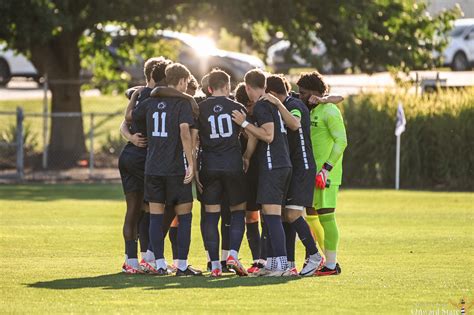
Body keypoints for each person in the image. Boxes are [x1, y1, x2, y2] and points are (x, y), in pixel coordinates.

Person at [132, 63, 202, 276]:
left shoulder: (150, 102)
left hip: (152, 167)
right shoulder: (182, 103)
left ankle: (159, 264)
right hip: (175, 168)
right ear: (181, 81)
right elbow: (184, 132)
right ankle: (181, 265)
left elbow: (131, 117)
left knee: (155, 215)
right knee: (185, 214)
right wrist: (191, 162)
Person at [232, 69, 292, 277]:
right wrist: (248, 156)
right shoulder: (269, 103)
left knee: (273, 217)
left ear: (248, 87)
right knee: (269, 215)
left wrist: (244, 123)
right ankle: (274, 264)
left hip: (274, 165)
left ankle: (283, 265)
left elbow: (268, 135)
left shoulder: (261, 106)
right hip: (278, 164)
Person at [264, 74, 324, 276]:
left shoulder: (293, 104)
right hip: (291, 166)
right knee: (284, 216)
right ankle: (289, 264)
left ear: (272, 94)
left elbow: (295, 123)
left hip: (302, 166)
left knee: (292, 214)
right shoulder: (290, 100)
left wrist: (276, 104)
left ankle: (315, 255)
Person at [118, 57, 170, 273]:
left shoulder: (138, 95)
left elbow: (125, 120)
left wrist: (129, 137)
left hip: (129, 156)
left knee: (134, 209)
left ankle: (131, 261)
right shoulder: (161, 98)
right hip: (146, 159)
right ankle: (149, 256)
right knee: (156, 207)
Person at [196, 69, 248, 277]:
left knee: (211, 216)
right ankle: (233, 254)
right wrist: (247, 157)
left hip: (209, 165)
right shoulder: (237, 107)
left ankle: (215, 265)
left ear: (209, 88)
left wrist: (194, 166)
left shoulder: (200, 109)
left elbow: (193, 139)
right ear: (228, 87)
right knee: (238, 211)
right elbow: (249, 134)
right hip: (233, 165)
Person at [296, 71, 347, 276]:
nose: (299, 96)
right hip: (311, 173)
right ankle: (325, 259)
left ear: (315, 93)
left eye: (303, 93)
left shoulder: (329, 110)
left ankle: (332, 265)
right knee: (311, 216)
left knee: (327, 217)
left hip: (326, 174)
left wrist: (326, 168)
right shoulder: (308, 108)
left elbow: (341, 141)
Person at [234, 82, 265, 274]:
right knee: (250, 216)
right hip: (246, 173)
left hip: (263, 171)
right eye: (245, 105)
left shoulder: (262, 114)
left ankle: (265, 258)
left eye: (250, 105)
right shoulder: (237, 118)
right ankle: (257, 259)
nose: (249, 109)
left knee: (267, 216)